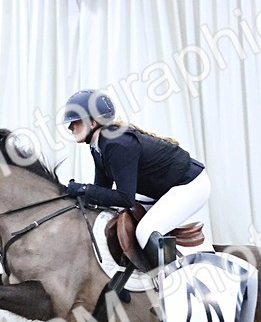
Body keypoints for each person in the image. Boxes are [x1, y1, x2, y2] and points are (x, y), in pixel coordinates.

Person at [60, 89, 212, 271]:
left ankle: (176, 281)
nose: (70, 128)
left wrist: (84, 189)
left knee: (146, 230)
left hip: (191, 185)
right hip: (166, 188)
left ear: (93, 122)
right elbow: (102, 190)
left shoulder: (117, 144)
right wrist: (78, 195)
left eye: (75, 122)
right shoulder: (98, 145)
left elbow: (125, 198)